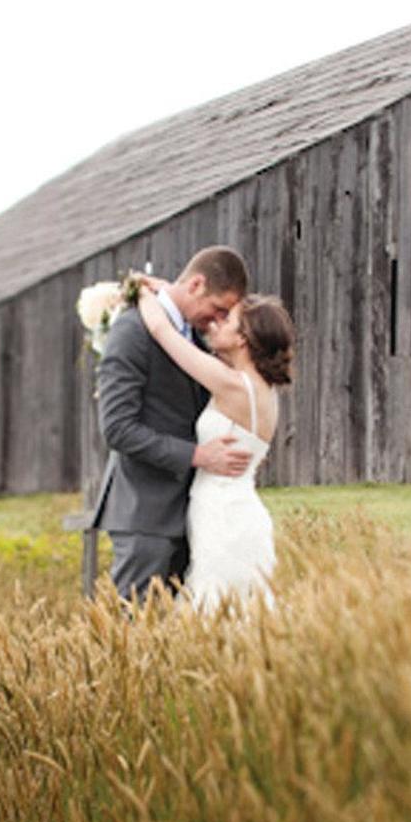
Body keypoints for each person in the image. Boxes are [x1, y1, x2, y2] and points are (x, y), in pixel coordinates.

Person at [91, 246, 252, 606]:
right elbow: (117, 428)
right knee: (135, 632)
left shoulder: (187, 332)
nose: (218, 321)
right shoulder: (132, 331)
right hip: (145, 515)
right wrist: (197, 455)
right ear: (196, 284)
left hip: (192, 515)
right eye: (219, 309)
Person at [133, 272, 294, 612]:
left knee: (214, 606)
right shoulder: (261, 388)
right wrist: (170, 290)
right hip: (238, 510)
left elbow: (163, 332)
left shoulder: (232, 384)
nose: (215, 324)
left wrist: (142, 296)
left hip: (223, 517)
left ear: (243, 339)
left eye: (228, 320)